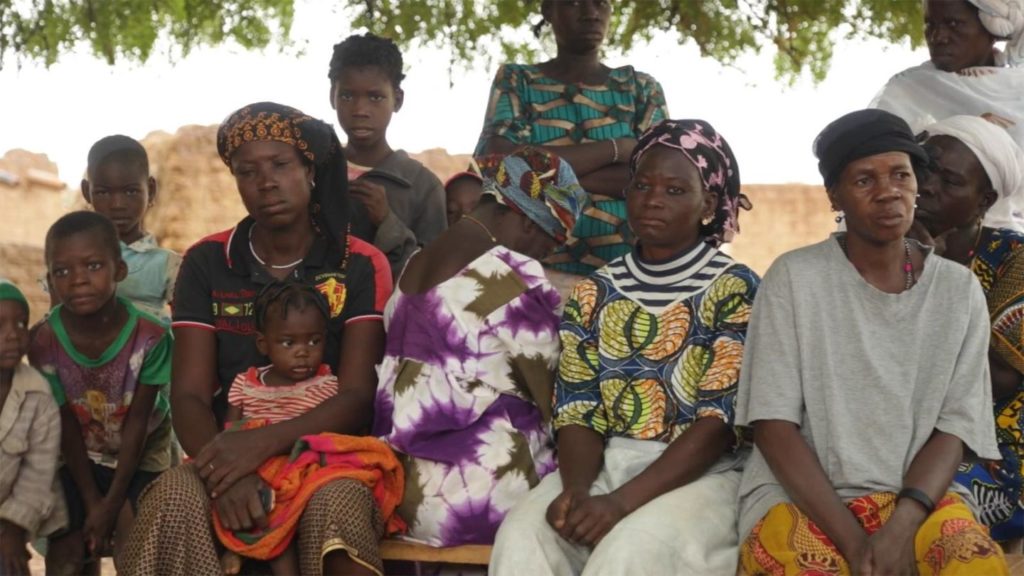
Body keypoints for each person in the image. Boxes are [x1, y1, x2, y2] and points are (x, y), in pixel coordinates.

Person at [119, 102, 393, 576]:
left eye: (281, 165)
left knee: (339, 505)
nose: (266, 182)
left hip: (326, 457)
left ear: (310, 169)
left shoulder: (360, 264)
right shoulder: (206, 262)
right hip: (224, 452)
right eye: (248, 172)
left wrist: (262, 444)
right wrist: (227, 476)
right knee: (173, 495)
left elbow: (356, 397)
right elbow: (187, 396)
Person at [736, 109, 1007, 575]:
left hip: (919, 503)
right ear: (834, 195)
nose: (888, 192)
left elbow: (956, 428)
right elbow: (773, 427)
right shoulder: (794, 279)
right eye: (864, 180)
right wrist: (857, 544)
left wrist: (900, 529)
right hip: (802, 501)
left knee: (976, 566)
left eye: (900, 174)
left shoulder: (957, 292)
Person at [491, 119, 759, 575]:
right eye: (642, 185)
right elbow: (578, 406)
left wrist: (618, 505)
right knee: (524, 537)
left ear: (708, 204)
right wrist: (576, 491)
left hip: (707, 475)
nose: (653, 199)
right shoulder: (598, 291)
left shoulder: (735, 288)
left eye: (675, 190)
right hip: (605, 465)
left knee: (633, 550)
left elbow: (718, 423)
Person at [372, 148, 589, 547]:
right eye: (549, 243)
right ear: (526, 221)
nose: (545, 255)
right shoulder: (513, 275)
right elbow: (560, 399)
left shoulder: (414, 266)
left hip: (399, 492)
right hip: (480, 494)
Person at [217, 280, 404, 576]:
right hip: (256, 467)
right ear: (263, 344)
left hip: (301, 470)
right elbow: (232, 432)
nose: (303, 352)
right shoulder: (245, 384)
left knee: (289, 509)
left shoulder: (326, 386)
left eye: (314, 341)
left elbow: (333, 440)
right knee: (250, 503)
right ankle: (238, 547)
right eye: (289, 343)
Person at [475, 0, 668, 277]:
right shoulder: (519, 81)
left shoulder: (640, 89)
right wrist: (617, 149)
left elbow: (656, 178)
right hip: (528, 278)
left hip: (626, 279)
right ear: (548, 11)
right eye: (576, 3)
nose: (591, 14)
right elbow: (494, 162)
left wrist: (538, 176)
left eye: (601, 3)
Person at [29, 211, 173, 575]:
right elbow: (63, 424)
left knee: (135, 545)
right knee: (66, 553)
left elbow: (138, 424)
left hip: (138, 453)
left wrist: (110, 505)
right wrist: (93, 500)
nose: (78, 281)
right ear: (49, 281)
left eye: (93, 266)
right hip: (77, 452)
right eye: (62, 272)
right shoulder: (44, 341)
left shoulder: (151, 337)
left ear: (119, 271)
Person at [909, 115, 1024, 543]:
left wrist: (927, 279)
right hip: (894, 428)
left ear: (983, 200)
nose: (928, 186)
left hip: (992, 445)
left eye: (950, 181)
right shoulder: (876, 246)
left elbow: (999, 378)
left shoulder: (1012, 261)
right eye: (925, 168)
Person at [871, 0, 1024, 230]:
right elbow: (876, 168)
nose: (938, 36)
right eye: (930, 24)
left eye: (954, 24)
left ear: (990, 29)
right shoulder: (906, 90)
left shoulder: (1019, 92)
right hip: (918, 234)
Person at [330, 32, 447, 280]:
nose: (360, 110)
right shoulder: (314, 171)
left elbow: (431, 279)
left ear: (398, 100)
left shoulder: (422, 186)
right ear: (333, 97)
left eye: (375, 97)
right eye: (347, 96)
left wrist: (387, 223)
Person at [0, 280, 66, 576]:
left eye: (21, 324)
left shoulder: (38, 395)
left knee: (11, 566)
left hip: (10, 518)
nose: (12, 335)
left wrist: (13, 532)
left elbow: (38, 473)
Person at [81, 135, 181, 323]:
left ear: (150, 190)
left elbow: (186, 326)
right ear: (87, 192)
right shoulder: (76, 258)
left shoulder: (167, 265)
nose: (117, 204)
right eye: (103, 192)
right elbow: (57, 321)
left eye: (130, 191)